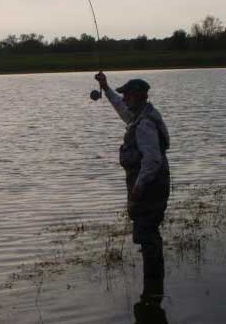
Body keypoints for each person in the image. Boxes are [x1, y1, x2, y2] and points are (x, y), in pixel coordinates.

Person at [94, 71, 171, 304]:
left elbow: (153, 160)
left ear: (138, 96)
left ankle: (153, 289)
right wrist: (105, 88)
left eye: (127, 95)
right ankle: (154, 282)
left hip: (150, 188)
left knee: (146, 233)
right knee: (148, 233)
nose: (124, 99)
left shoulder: (145, 124)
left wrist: (138, 188)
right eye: (124, 96)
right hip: (151, 186)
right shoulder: (140, 116)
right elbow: (121, 109)